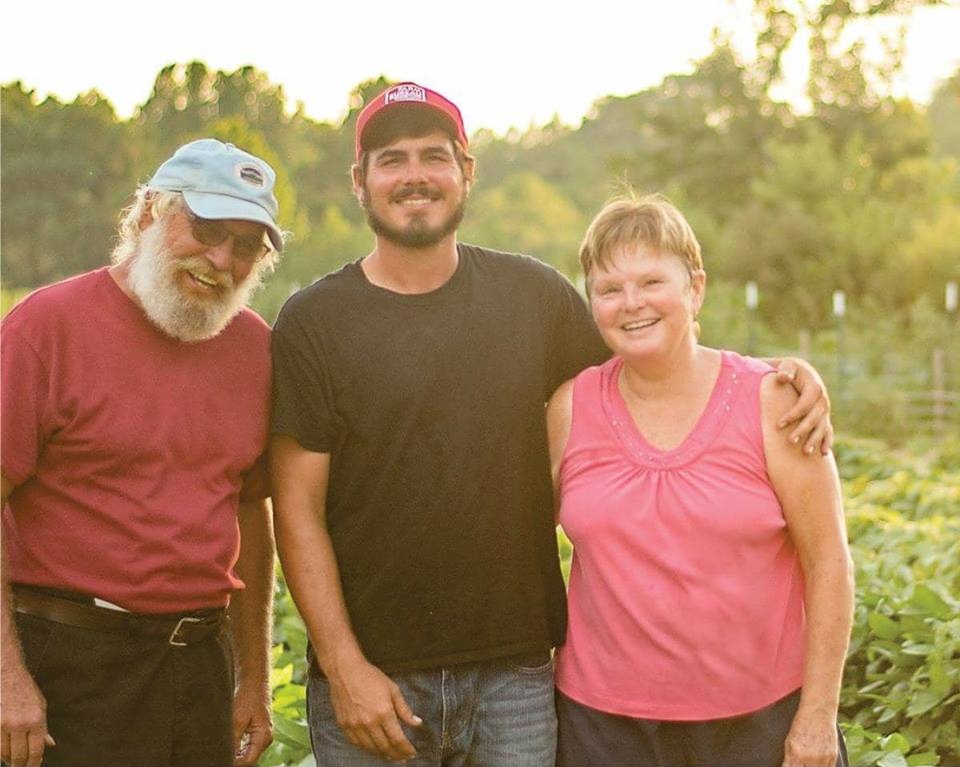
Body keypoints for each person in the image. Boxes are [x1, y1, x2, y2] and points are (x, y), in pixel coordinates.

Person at [269, 81, 833, 767]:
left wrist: (781, 374)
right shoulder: (313, 321)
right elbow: (296, 509)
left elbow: (653, 358)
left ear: (466, 171)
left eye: (433, 155)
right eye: (391, 159)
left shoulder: (532, 298)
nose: (414, 174)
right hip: (375, 680)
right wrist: (343, 665)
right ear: (360, 181)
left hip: (517, 678)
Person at [1, 138, 282, 767]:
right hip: (67, 662)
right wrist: (6, 679)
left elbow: (246, 513)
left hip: (199, 666)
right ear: (153, 209)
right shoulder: (46, 327)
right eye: (207, 229)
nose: (221, 259)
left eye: (246, 247)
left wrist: (254, 680)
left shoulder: (254, 348)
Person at [548, 194, 854, 767]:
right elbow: (517, 543)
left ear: (696, 289)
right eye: (609, 289)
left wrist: (817, 717)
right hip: (602, 730)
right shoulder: (569, 407)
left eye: (651, 281)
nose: (631, 303)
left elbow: (829, 562)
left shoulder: (775, 403)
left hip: (760, 724)